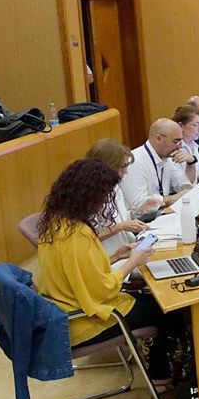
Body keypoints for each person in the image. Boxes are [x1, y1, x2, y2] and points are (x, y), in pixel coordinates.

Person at [34, 158, 176, 382]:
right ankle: (162, 377)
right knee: (167, 309)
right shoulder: (78, 234)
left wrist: (116, 256)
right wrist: (133, 261)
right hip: (82, 321)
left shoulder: (55, 223)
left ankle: (160, 371)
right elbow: (102, 290)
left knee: (149, 301)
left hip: (64, 310)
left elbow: (77, 272)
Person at [85, 138, 158, 255]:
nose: (126, 172)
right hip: (109, 258)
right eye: (122, 166)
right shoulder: (88, 196)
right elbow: (89, 238)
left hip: (127, 250)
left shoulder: (114, 187)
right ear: (108, 166)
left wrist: (140, 210)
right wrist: (121, 227)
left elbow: (120, 219)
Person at [120, 118, 193, 212]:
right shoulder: (135, 162)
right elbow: (138, 205)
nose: (179, 146)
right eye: (176, 141)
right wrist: (171, 199)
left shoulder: (167, 158)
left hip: (161, 215)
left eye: (180, 141)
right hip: (141, 222)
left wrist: (191, 163)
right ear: (159, 139)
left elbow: (183, 187)